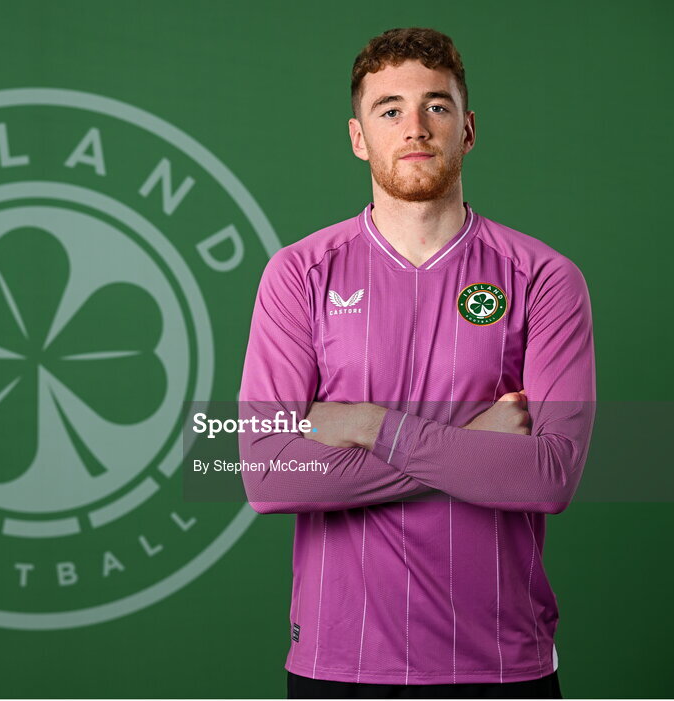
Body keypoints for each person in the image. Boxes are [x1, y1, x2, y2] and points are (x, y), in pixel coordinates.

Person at [236, 27, 596, 699]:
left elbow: (549, 475)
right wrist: (472, 447)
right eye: (390, 109)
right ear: (357, 136)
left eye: (437, 105)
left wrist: (369, 422)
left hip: (502, 662)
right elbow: (265, 472)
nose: (416, 127)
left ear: (468, 128)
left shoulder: (545, 278)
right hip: (338, 663)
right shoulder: (298, 275)